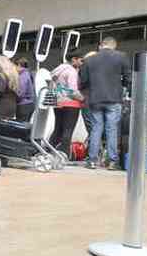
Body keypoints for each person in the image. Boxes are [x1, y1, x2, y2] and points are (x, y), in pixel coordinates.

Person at [79, 37, 130, 170]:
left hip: (95, 99)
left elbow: (83, 81)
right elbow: (128, 78)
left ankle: (92, 161)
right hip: (114, 98)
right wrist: (120, 86)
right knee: (112, 129)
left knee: (96, 128)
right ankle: (112, 161)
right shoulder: (121, 57)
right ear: (114, 46)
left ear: (101, 45)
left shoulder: (89, 59)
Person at [50, 52, 84, 155]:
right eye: (81, 60)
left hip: (58, 103)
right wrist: (82, 98)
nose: (82, 63)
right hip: (71, 104)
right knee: (67, 131)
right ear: (74, 59)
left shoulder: (56, 71)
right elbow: (72, 90)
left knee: (58, 129)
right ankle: (64, 154)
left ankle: (49, 150)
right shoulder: (71, 71)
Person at [0, 55, 20, 120]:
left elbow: (0, 89)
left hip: (2, 107)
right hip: (12, 107)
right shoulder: (14, 75)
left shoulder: (1, 77)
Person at [14, 57, 36, 121]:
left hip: (23, 105)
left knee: (21, 127)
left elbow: (20, 93)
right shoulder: (28, 73)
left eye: (14, 66)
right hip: (30, 104)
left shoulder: (22, 76)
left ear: (19, 65)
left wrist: (13, 97)